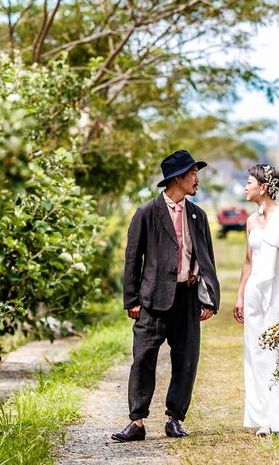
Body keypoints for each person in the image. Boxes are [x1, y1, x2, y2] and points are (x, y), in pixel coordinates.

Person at [111, 150, 220, 442]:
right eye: (192, 173)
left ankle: (174, 419)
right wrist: (132, 300)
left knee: (186, 360)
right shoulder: (146, 212)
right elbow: (132, 259)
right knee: (143, 358)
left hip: (187, 298)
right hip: (152, 300)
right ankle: (136, 421)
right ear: (177, 178)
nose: (197, 178)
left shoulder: (198, 215)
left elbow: (206, 259)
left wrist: (208, 298)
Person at [233, 164, 279, 436]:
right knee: (255, 351)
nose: (245, 187)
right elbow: (248, 261)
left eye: (249, 182)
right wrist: (240, 295)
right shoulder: (251, 221)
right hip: (254, 289)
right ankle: (262, 418)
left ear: (263, 187)